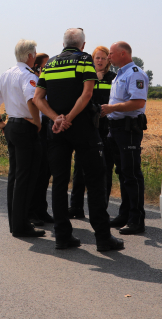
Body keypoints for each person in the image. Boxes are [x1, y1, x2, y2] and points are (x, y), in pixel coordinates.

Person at [33, 28, 124, 251]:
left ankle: (62, 237)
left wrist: (57, 119)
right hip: (82, 128)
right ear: (83, 45)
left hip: (56, 131)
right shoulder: (84, 61)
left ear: (63, 44)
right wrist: (70, 118)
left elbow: (38, 98)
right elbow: (87, 94)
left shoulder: (50, 64)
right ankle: (103, 238)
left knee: (59, 182)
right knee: (94, 181)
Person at [0, 40, 44, 238]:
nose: (35, 56)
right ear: (29, 55)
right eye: (34, 53)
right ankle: (22, 225)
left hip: (11, 126)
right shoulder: (28, 75)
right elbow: (32, 100)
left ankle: (15, 222)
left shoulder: (6, 73)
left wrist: (0, 123)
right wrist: (37, 123)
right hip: (25, 127)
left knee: (15, 177)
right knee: (26, 178)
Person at [101, 41, 148, 235]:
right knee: (122, 173)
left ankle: (136, 219)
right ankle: (125, 214)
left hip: (128, 130)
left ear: (122, 54)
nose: (108, 57)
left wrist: (111, 108)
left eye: (111, 54)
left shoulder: (135, 73)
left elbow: (137, 102)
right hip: (116, 129)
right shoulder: (120, 74)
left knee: (131, 174)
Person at [68, 46, 116, 218]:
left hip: (106, 129)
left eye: (103, 58)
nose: (100, 61)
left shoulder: (113, 78)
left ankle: (102, 208)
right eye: (97, 58)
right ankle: (75, 207)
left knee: (105, 170)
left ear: (108, 61)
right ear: (93, 59)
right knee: (79, 169)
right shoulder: (86, 76)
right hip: (86, 128)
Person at [28, 53, 54, 225]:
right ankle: (31, 212)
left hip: (47, 128)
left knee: (45, 172)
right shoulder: (31, 81)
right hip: (36, 128)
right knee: (35, 173)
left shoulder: (48, 81)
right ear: (37, 67)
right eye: (45, 65)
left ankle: (41, 210)